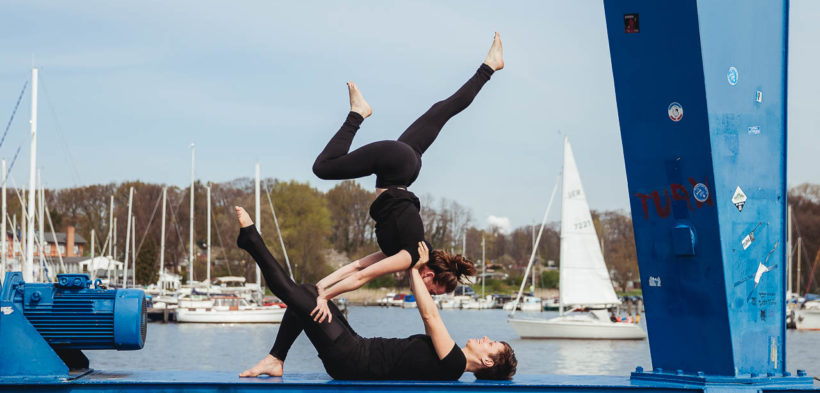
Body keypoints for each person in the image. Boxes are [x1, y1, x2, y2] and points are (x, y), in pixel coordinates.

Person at [309, 32, 504, 322]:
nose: (427, 295)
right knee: (323, 168)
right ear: (430, 274)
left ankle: (489, 66)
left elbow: (356, 267)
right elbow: (363, 278)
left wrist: (320, 286)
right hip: (394, 167)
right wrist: (325, 298)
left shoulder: (405, 254)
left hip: (407, 168)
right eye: (433, 291)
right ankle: (357, 114)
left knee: (443, 110)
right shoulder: (410, 256)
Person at [233, 207, 516, 380]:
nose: (486, 339)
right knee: (307, 293)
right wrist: (401, 256)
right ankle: (276, 359)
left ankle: (252, 240)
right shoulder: (451, 357)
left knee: (296, 294)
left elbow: (430, 315)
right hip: (356, 348)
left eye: (492, 345)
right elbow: (363, 266)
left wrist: (414, 269)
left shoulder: (454, 363)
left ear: (488, 361)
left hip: (352, 360)